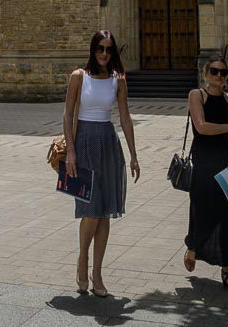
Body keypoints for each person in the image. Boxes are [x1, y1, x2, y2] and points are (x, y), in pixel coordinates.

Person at [64, 30, 140, 299]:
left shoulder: (118, 79)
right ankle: (82, 259)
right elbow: (68, 113)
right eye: (100, 49)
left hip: (108, 143)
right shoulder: (78, 77)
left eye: (109, 49)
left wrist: (133, 154)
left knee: (106, 210)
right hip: (84, 143)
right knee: (91, 210)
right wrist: (70, 151)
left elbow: (126, 117)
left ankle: (97, 273)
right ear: (92, 50)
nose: (104, 54)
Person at [184, 54, 228, 294]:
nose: (219, 76)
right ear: (205, 74)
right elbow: (201, 127)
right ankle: (193, 245)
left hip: (225, 157)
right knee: (202, 205)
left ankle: (227, 272)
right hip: (203, 157)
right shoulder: (197, 95)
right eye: (214, 71)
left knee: (227, 213)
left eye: (223, 73)